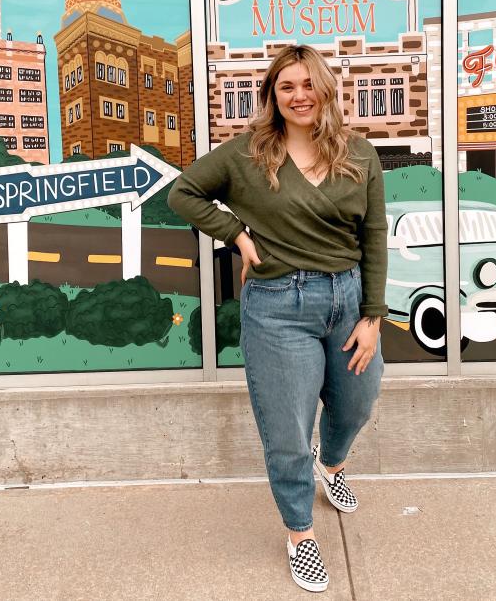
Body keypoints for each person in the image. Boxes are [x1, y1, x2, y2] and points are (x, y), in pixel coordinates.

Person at [168, 45, 386, 593]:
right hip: (278, 308)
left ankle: (331, 465)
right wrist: (236, 235)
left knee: (357, 403)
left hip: (347, 300)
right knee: (287, 428)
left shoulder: (360, 156)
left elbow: (374, 236)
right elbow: (184, 192)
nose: (299, 96)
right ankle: (300, 533)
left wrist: (373, 316)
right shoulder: (247, 155)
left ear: (326, 90)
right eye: (287, 86)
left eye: (308, 84)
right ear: (273, 95)